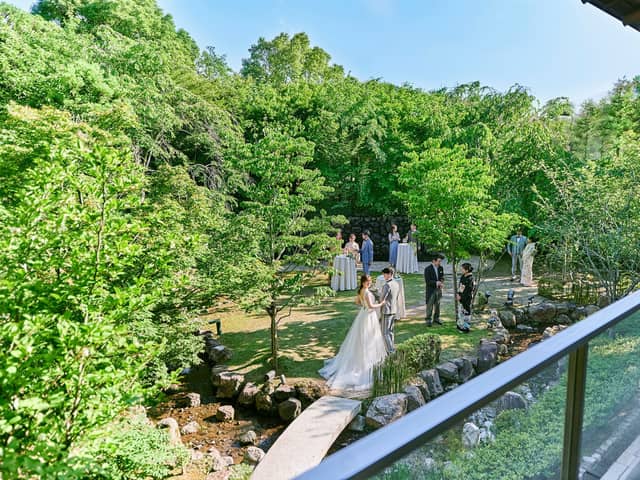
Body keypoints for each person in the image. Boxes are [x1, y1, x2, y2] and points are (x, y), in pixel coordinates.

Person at [319, 275, 388, 392]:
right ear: (363, 282)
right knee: (367, 338)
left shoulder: (361, 291)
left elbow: (356, 301)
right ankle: (365, 362)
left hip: (364, 314)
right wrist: (381, 304)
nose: (369, 284)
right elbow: (371, 306)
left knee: (361, 338)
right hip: (368, 316)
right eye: (367, 282)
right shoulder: (366, 292)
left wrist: (364, 306)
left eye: (370, 282)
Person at [379, 267, 400, 353]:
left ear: (390, 274)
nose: (384, 275)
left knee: (385, 332)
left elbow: (381, 298)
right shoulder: (396, 283)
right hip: (394, 309)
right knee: (390, 331)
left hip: (386, 310)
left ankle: (391, 351)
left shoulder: (387, 285)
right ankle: (392, 347)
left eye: (385, 274)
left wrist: (376, 294)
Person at [424, 254, 445, 326]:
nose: (440, 263)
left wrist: (442, 282)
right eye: (439, 261)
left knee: (438, 304)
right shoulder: (427, 269)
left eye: (440, 261)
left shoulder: (441, 268)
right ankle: (428, 320)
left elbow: (442, 277)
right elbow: (428, 281)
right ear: (434, 261)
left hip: (439, 289)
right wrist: (436, 283)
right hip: (431, 290)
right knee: (430, 305)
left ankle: (436, 318)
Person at [456, 263, 474, 333]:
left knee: (466, 312)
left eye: (462, 269)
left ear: (466, 270)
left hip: (467, 298)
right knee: (461, 312)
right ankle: (460, 326)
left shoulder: (471, 278)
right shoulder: (463, 276)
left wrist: (461, 296)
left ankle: (466, 328)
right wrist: (458, 294)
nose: (461, 270)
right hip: (461, 297)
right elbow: (460, 286)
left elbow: (468, 291)